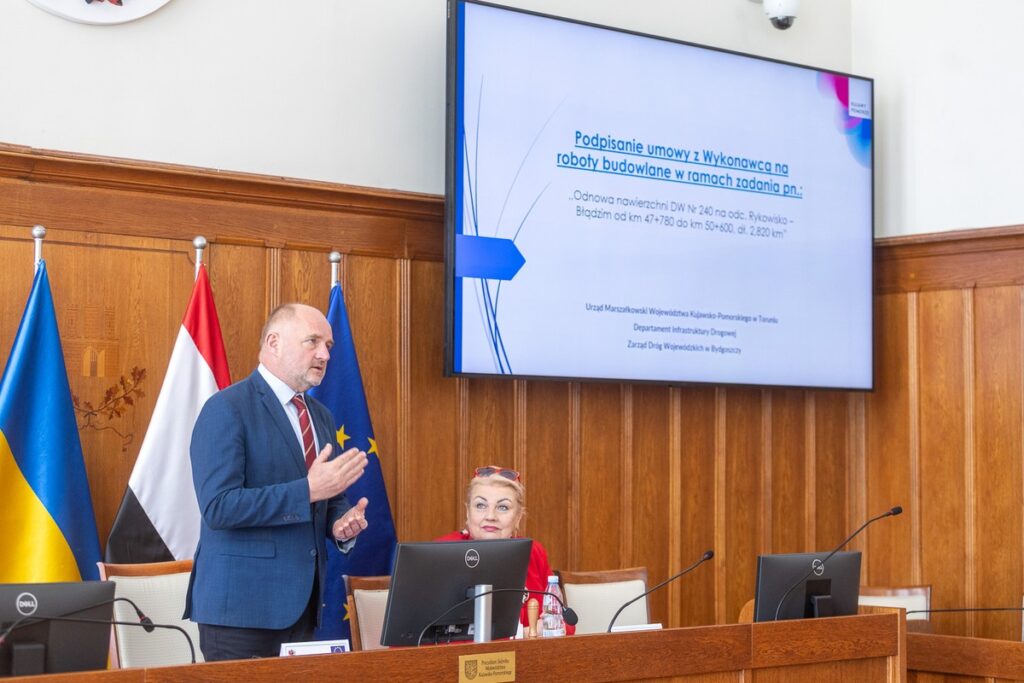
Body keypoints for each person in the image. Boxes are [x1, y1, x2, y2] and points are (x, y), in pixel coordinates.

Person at [184, 303, 371, 660]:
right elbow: (219, 507)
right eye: (312, 342)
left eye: (329, 346)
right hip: (241, 613)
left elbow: (328, 497)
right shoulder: (227, 408)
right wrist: (308, 490)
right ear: (273, 342)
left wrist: (341, 523)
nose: (324, 354)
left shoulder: (320, 416)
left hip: (302, 607)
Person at [435, 466, 574, 635]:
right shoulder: (442, 552)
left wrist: (547, 627)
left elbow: (565, 623)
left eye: (503, 507)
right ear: (467, 512)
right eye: (480, 505)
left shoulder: (533, 552)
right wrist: (526, 632)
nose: (490, 516)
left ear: (518, 518)